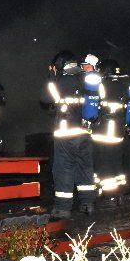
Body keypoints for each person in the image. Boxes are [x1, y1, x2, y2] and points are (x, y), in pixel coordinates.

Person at [41, 50, 101, 218]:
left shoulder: (61, 80)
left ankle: (62, 208)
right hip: (85, 132)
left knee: (63, 169)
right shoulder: (88, 79)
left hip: (66, 133)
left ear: (60, 64)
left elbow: (45, 98)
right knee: (85, 168)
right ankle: (88, 203)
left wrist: (51, 77)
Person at [91, 59, 130, 204]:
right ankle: (118, 192)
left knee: (104, 164)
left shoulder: (101, 85)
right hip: (119, 132)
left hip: (103, 132)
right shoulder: (125, 85)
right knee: (116, 163)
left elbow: (94, 107)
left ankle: (109, 195)